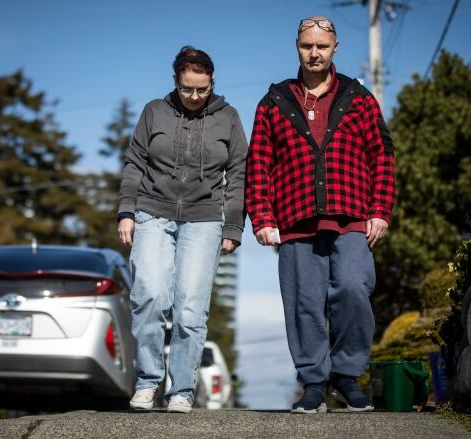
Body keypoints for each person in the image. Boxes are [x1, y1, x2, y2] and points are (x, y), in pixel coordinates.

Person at [245, 16, 395, 414]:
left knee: (351, 288)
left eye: (322, 47)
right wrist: (261, 217)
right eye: (307, 46)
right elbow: (258, 161)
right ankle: (313, 383)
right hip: (295, 220)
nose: (314, 53)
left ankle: (346, 377)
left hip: (352, 216)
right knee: (304, 303)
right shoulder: (275, 100)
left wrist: (380, 211)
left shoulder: (359, 98)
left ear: (335, 48)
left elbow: (382, 154)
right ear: (297, 46)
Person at [117, 46, 248, 413]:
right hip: (152, 213)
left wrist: (234, 224)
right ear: (176, 81)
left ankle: (182, 390)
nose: (194, 97)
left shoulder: (229, 118)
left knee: (190, 309)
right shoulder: (154, 111)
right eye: (187, 89)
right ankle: (148, 381)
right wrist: (126, 212)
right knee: (150, 295)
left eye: (202, 90)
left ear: (212, 84)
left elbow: (238, 173)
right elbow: (134, 164)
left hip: (204, 218)